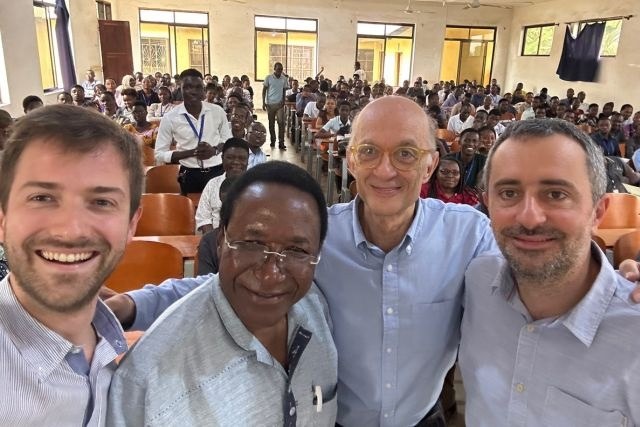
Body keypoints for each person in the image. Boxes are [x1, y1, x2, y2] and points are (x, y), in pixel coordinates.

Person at [107, 162, 337, 426]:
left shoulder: (316, 308)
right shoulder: (147, 381)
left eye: (297, 251)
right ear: (220, 243)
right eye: (251, 244)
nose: (271, 274)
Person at [459, 118, 640, 426]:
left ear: (598, 211)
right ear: (488, 204)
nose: (529, 218)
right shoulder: (476, 279)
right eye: (509, 193)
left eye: (556, 194)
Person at [0, 104, 143, 425]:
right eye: (42, 197)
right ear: (3, 218)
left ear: (131, 224)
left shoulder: (122, 355)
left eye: (101, 202)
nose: (70, 230)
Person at [155, 68, 231, 195]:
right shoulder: (170, 117)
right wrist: (191, 153)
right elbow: (159, 154)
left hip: (217, 171)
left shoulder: (217, 111)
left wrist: (214, 150)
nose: (193, 91)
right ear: (180, 88)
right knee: (190, 207)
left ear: (203, 90)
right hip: (189, 174)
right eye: (188, 87)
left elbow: (228, 140)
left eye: (198, 87)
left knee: (218, 206)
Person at [195, 137, 250, 233]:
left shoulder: (257, 186)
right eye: (230, 157)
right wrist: (214, 239)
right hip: (215, 235)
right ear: (222, 158)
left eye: (242, 158)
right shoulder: (212, 184)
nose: (236, 162)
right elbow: (203, 219)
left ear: (248, 160)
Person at [195, 176, 237, 275]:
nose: (228, 209)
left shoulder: (260, 241)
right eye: (225, 204)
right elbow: (206, 281)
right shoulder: (209, 241)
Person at [262, 62, 289, 150]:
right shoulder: (268, 78)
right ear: (274, 69)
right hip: (270, 104)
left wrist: (283, 101)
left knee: (281, 123)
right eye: (278, 69)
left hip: (280, 104)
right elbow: (264, 90)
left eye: (281, 69)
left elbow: (284, 91)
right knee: (271, 123)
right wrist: (263, 102)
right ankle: (272, 140)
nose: (279, 71)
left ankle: (281, 142)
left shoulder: (284, 79)